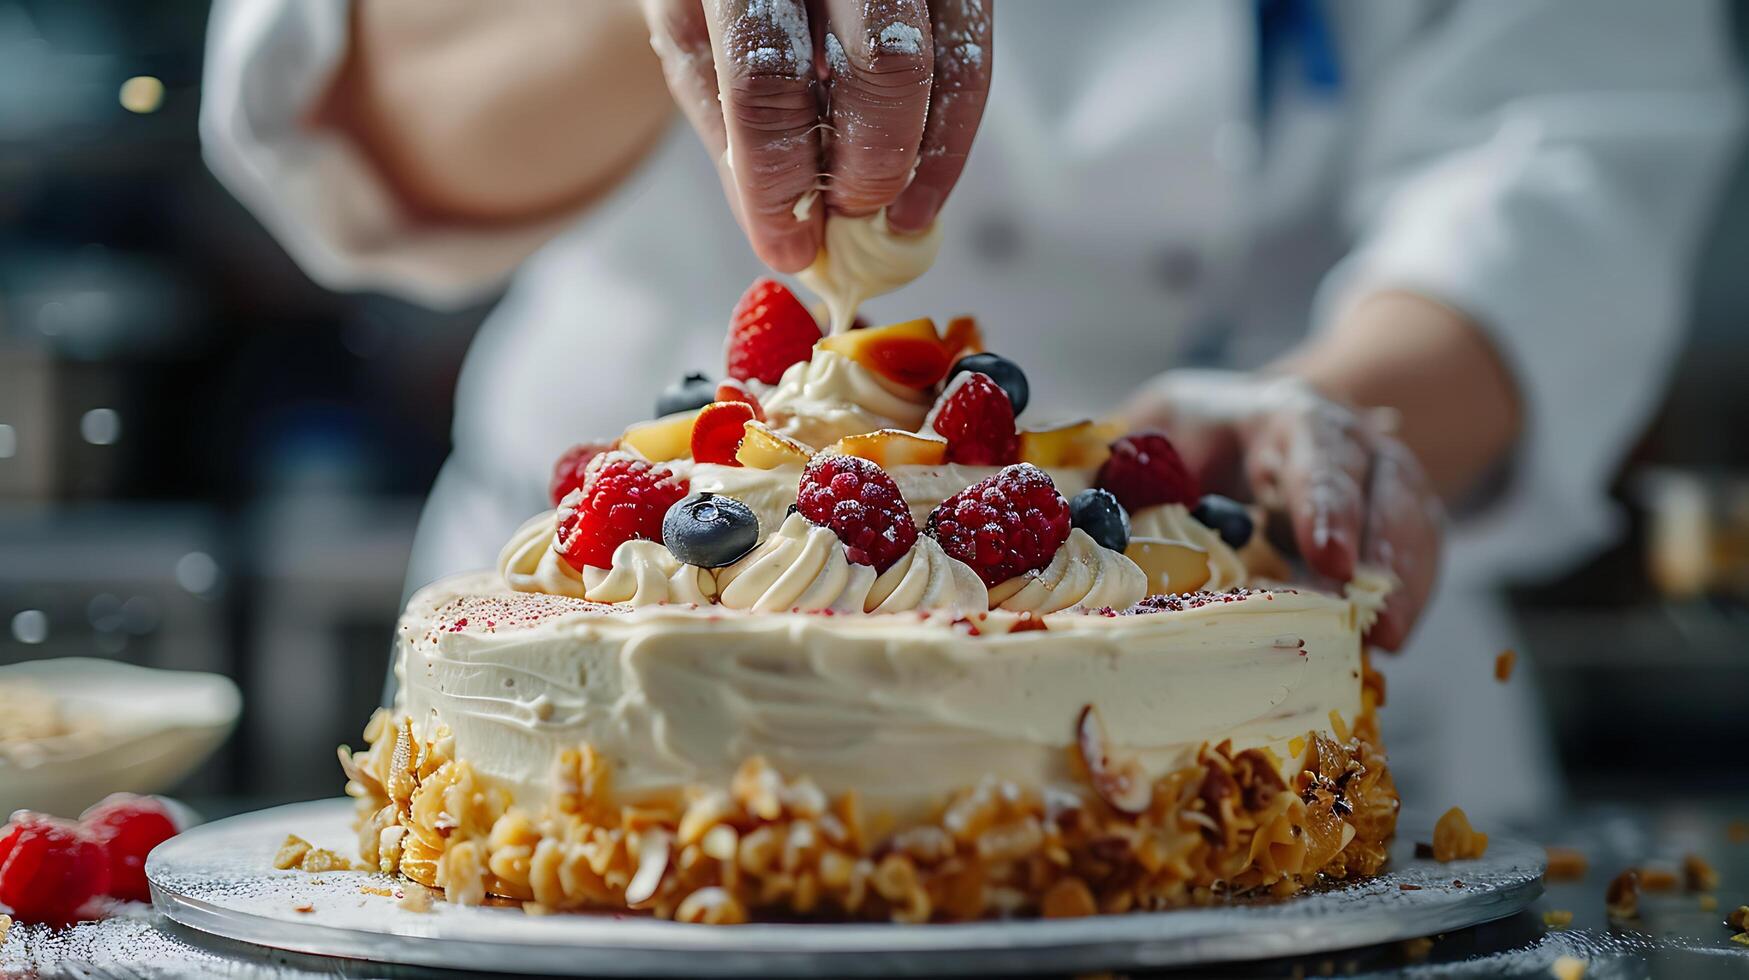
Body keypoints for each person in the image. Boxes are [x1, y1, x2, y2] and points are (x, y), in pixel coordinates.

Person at [201, 0, 1744, 824]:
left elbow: (1565, 151)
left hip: (1254, 609)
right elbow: (341, 122)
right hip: (631, 601)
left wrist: (1314, 424)